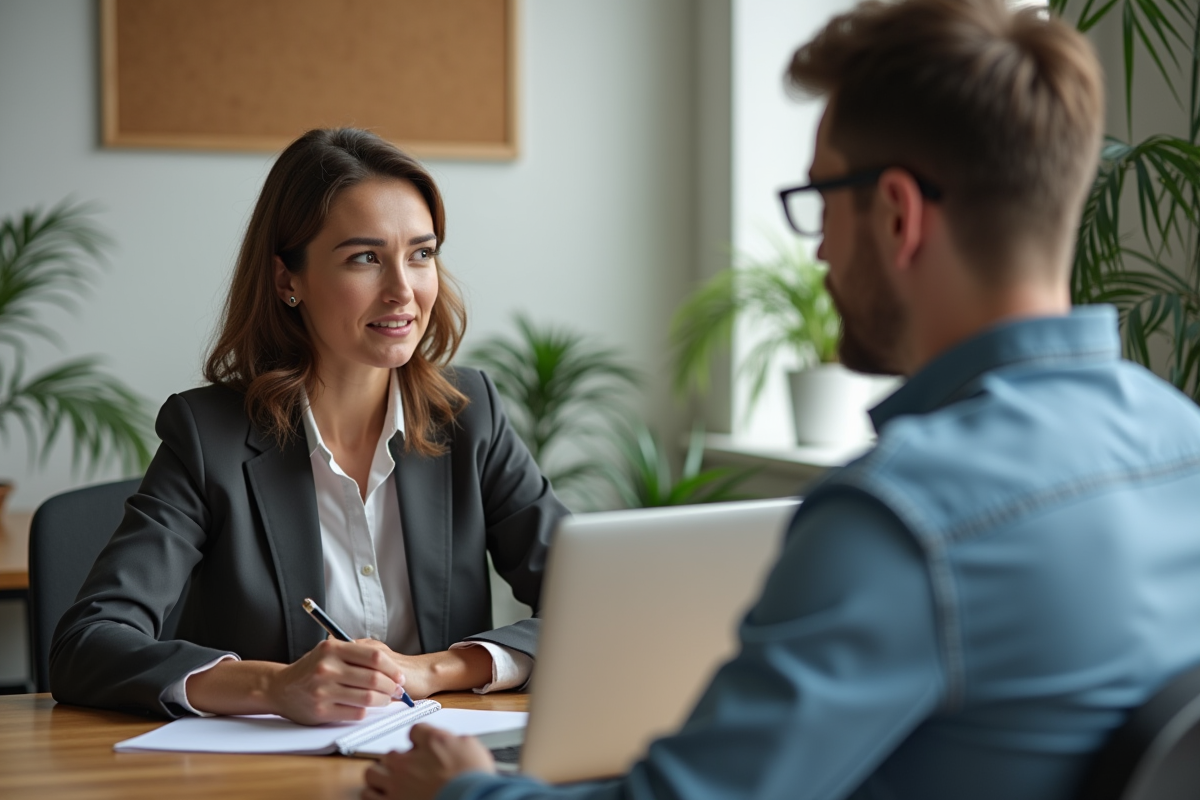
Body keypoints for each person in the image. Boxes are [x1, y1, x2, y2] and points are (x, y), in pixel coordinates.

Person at [360, 1, 1200, 799]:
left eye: (822, 202)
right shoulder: (1183, 442)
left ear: (898, 214)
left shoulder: (902, 520)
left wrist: (463, 789)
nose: (823, 249)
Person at [50, 128, 569, 724]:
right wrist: (272, 687)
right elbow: (86, 643)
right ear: (286, 281)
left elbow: (595, 606)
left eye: (421, 254)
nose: (404, 290)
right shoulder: (208, 437)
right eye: (365, 258)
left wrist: (435, 668)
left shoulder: (468, 413)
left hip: (434, 766)